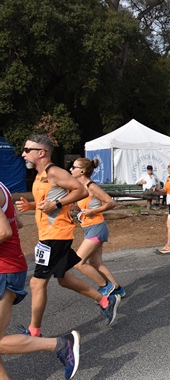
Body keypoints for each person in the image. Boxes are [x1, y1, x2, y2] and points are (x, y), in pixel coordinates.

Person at [15, 135, 120, 336]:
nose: (23, 153)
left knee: (37, 282)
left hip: (56, 235)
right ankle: (106, 300)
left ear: (41, 152)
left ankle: (34, 331)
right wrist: (32, 206)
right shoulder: (40, 175)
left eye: (27, 150)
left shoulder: (54, 172)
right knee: (64, 279)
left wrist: (56, 204)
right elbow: (50, 200)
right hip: (49, 234)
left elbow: (80, 190)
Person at [0, 181, 80, 379]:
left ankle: (60, 344)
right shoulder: (2, 186)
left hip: (5, 269)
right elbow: (17, 223)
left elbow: (4, 231)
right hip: (9, 265)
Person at [71, 158, 125, 298]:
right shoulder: (80, 188)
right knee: (95, 262)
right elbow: (81, 205)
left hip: (97, 227)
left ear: (82, 171)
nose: (71, 169)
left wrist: (92, 211)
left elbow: (111, 203)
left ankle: (106, 286)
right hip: (88, 228)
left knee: (78, 262)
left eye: (73, 167)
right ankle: (118, 289)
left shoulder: (92, 186)